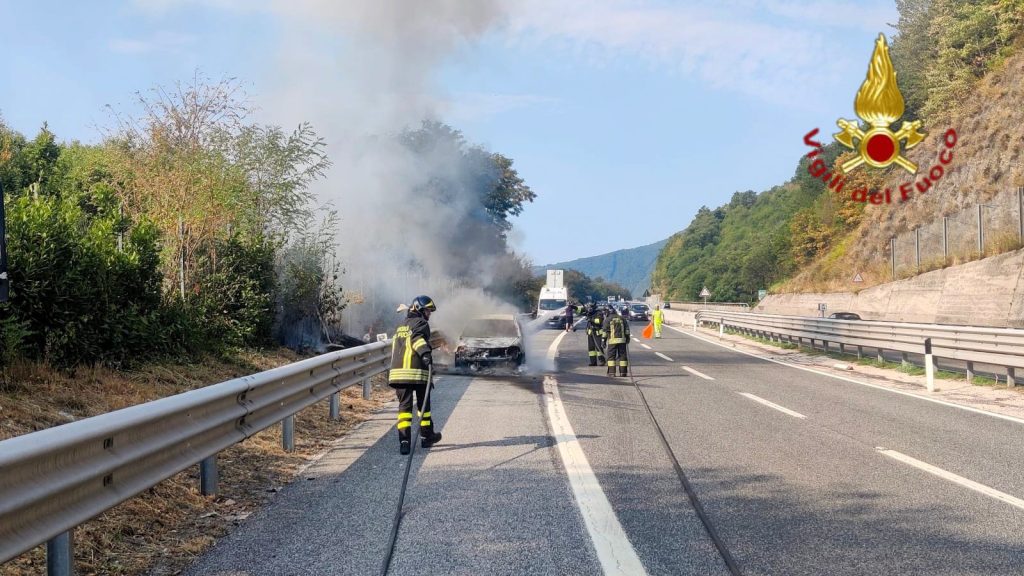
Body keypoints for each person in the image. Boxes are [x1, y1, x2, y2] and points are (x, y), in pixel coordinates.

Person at [388, 295, 443, 455]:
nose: (429, 314)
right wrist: (426, 354)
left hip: (398, 374)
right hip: (416, 372)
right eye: (427, 310)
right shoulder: (421, 323)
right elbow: (417, 339)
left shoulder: (401, 325)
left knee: (404, 408)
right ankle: (426, 437)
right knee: (423, 407)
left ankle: (404, 442)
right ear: (419, 310)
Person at [605, 307, 631, 377]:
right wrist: (628, 337)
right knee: (622, 356)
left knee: (611, 357)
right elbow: (627, 329)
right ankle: (623, 373)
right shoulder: (622, 318)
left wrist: (603, 341)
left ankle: (612, 373)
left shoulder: (608, 319)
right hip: (622, 341)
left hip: (612, 341)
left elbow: (605, 331)